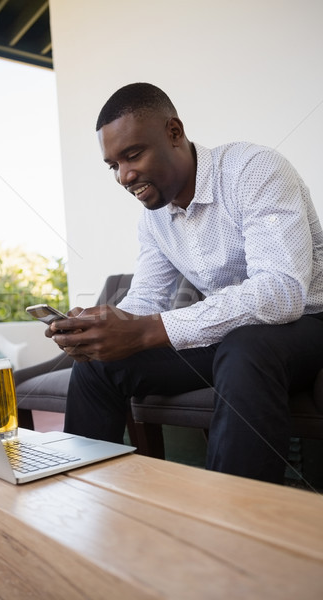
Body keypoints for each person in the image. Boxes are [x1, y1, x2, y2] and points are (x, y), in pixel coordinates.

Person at [46, 82, 323, 484]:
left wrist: (148, 331)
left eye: (132, 155)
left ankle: (231, 523)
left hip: (308, 325)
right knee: (99, 364)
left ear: (174, 132)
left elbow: (282, 292)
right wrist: (103, 326)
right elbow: (148, 297)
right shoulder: (154, 217)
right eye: (113, 165)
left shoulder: (254, 169)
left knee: (245, 347)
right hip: (230, 337)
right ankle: (79, 500)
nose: (124, 176)